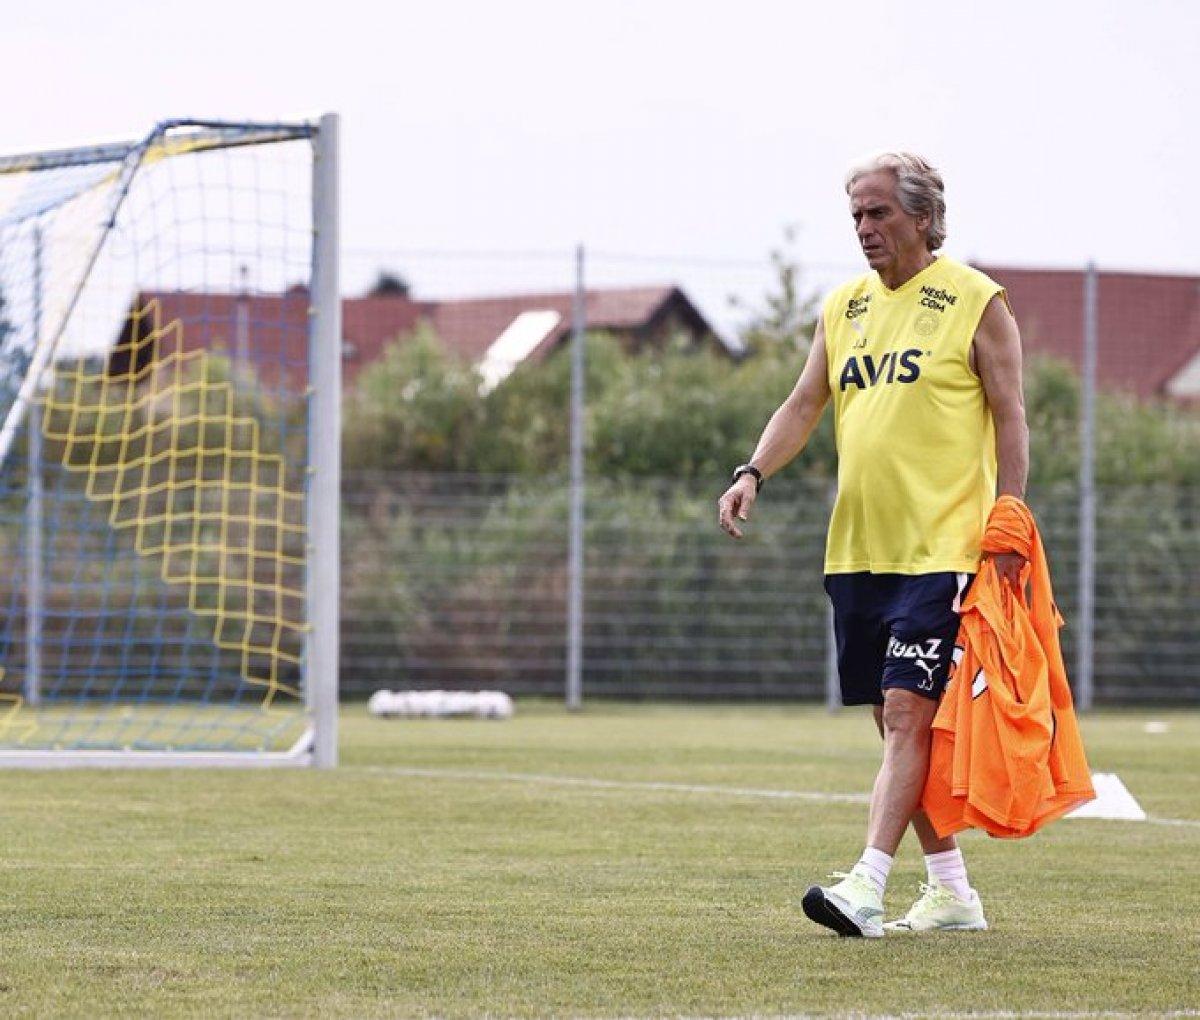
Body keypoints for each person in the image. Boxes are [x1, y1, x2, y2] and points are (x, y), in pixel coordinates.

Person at [717, 152, 1028, 938]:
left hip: (943, 550)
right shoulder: (843, 307)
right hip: (858, 551)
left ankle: (866, 885)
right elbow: (801, 404)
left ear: (922, 218)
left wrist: (1009, 519)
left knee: (904, 715)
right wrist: (754, 471)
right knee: (894, 728)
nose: (864, 229)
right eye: (856, 215)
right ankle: (953, 890)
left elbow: (1012, 414)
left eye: (879, 213)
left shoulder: (975, 300)